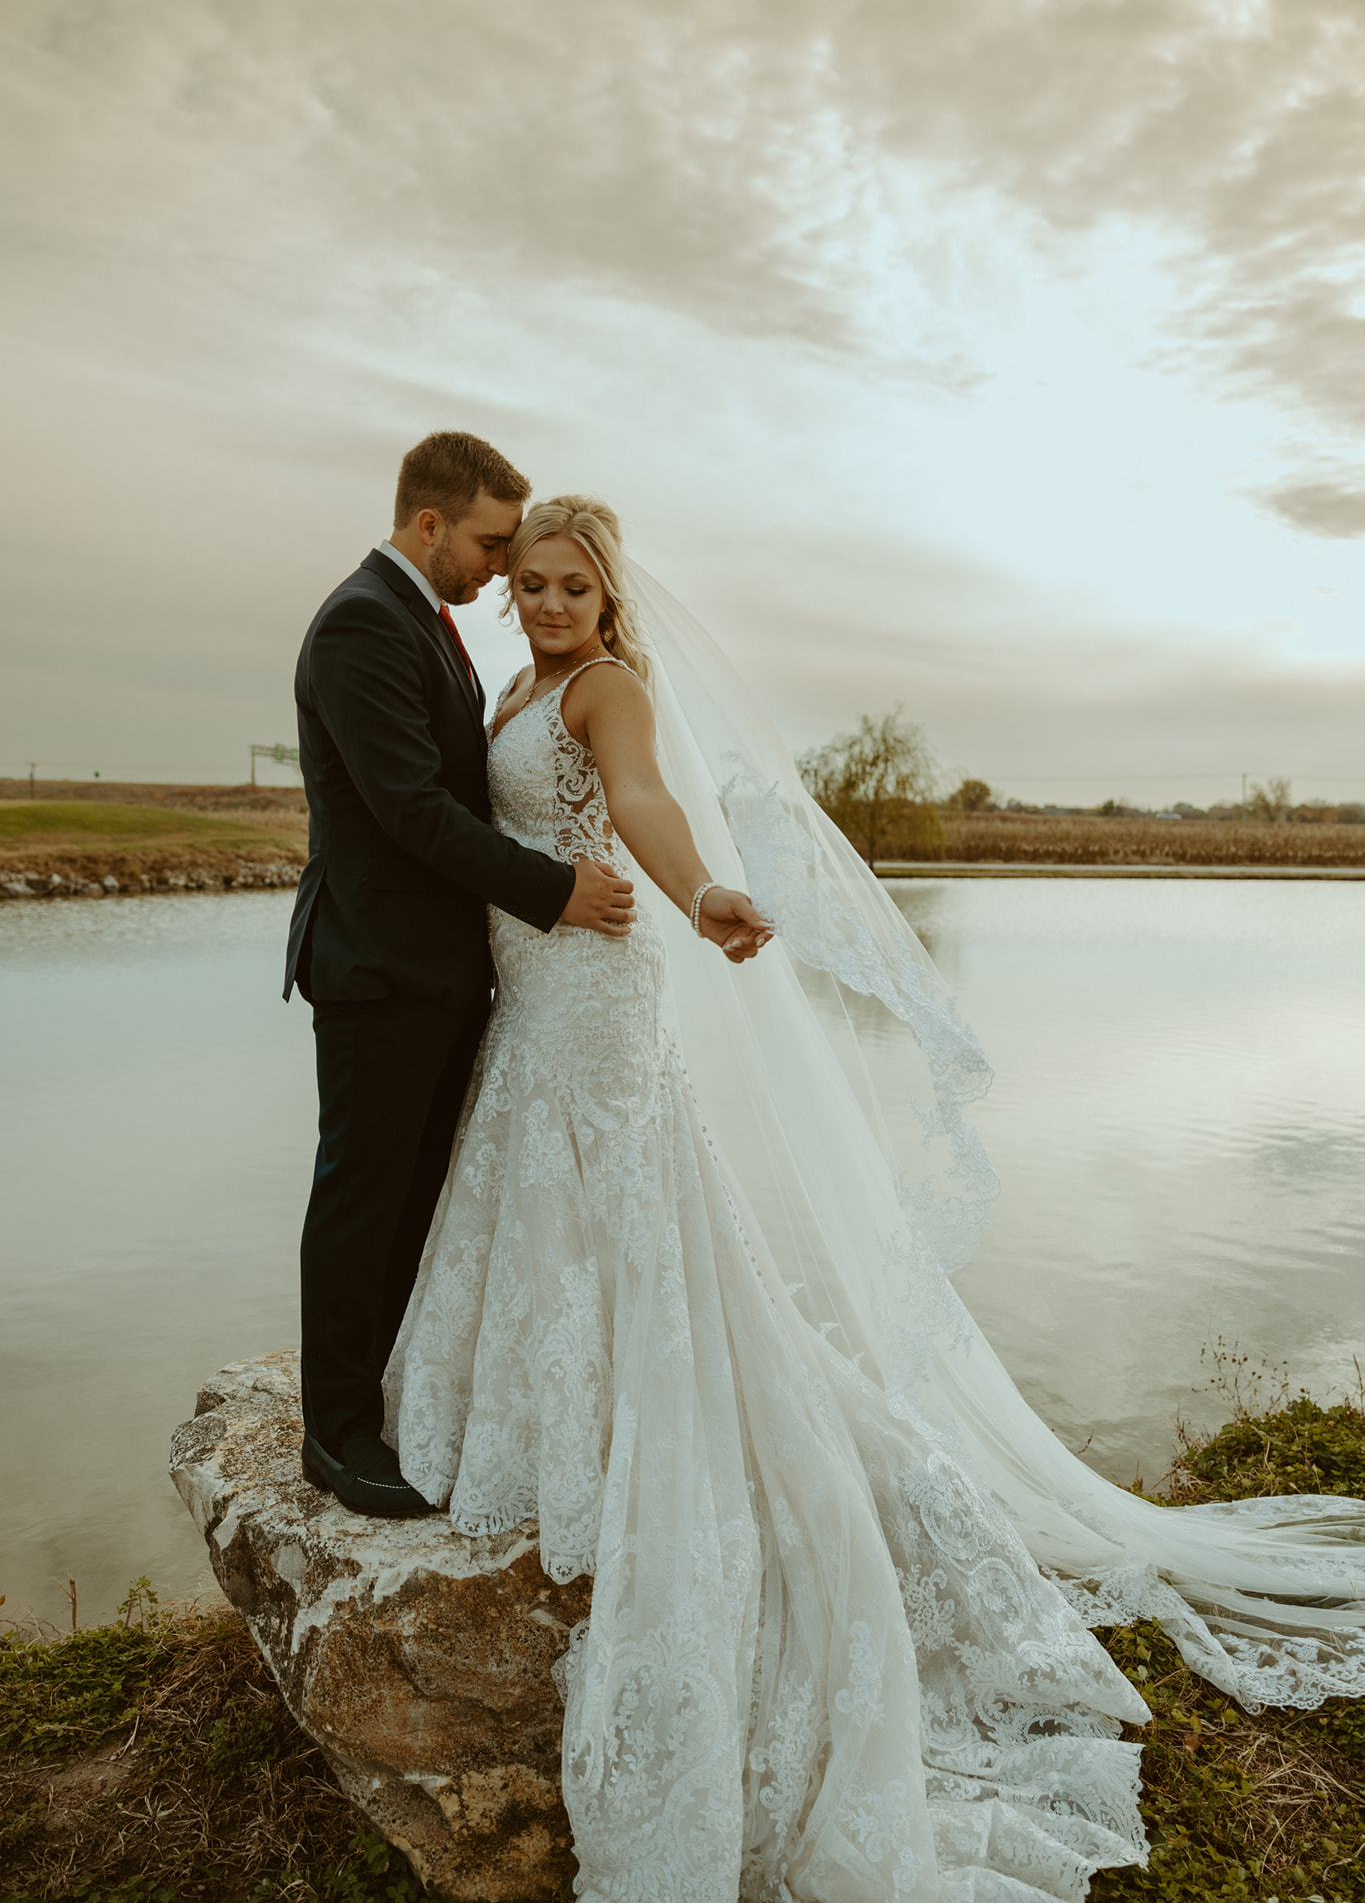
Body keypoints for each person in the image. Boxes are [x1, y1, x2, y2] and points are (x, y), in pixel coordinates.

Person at [383, 492, 1365, 1901]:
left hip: (598, 988)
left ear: (609, 601)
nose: (544, 606)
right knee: (546, 1203)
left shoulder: (607, 687)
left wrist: (703, 890)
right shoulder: (522, 682)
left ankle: (644, 1422)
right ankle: (546, 1406)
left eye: (568, 590)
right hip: (536, 987)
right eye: (528, 585)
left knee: (631, 1213)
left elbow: (644, 800)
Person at [286, 435, 690, 1517]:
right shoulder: (366, 622)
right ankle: (335, 1434)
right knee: (364, 1196)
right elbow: (413, 810)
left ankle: (390, 1397)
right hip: (381, 967)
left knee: (420, 1194)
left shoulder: (442, 629)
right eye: (495, 546)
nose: (506, 572)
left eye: (552, 571)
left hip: (466, 975)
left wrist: (684, 893)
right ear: (430, 524)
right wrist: (554, 888)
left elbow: (611, 792)